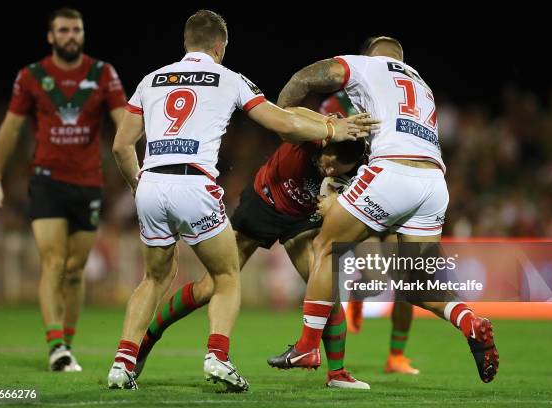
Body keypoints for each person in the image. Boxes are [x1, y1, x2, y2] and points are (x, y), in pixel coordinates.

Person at [106, 10, 374, 392]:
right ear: (221, 46)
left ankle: (123, 362)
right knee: (224, 278)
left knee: (155, 277)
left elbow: (120, 145)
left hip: (153, 182)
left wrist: (137, 184)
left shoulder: (152, 79)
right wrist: (334, 126)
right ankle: (215, 355)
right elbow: (284, 122)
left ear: (186, 43)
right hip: (225, 192)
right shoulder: (229, 78)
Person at [269, 36, 499, 384]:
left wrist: (283, 111)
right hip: (434, 184)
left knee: (326, 245)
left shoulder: (365, 66)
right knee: (415, 282)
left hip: (391, 172)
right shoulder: (422, 86)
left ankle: (306, 345)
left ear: (368, 54)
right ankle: (469, 321)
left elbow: (307, 77)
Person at [134, 132, 371, 389]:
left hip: (302, 218)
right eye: (330, 162)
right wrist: (328, 125)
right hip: (263, 205)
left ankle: (336, 374)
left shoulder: (363, 164)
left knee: (326, 294)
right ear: (326, 145)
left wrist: (340, 201)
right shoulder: (311, 133)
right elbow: (288, 106)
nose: (331, 170)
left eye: (338, 169)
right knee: (208, 288)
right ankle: (149, 337)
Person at [0, 8, 127, 372]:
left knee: (76, 270)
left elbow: (124, 121)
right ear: (50, 36)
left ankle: (66, 343)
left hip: (88, 183)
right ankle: (56, 346)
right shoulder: (31, 77)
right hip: (46, 181)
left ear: (83, 33)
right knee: (53, 261)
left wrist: (141, 161)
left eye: (76, 30)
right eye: (63, 30)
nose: (70, 36)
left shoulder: (102, 74)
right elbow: (11, 128)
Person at [321, 84, 419, 375]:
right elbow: (324, 142)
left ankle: (396, 356)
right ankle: (359, 295)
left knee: (407, 283)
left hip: (391, 195)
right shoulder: (333, 104)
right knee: (376, 279)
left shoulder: (392, 101)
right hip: (357, 197)